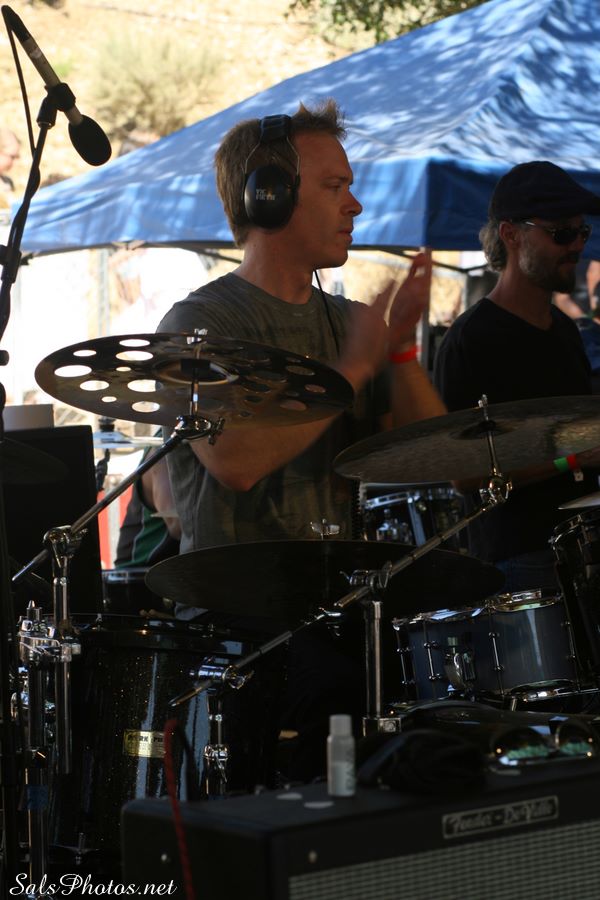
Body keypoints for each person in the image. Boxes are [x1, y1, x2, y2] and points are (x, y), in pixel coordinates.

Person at [158, 100, 445, 781]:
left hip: (339, 612)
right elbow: (234, 461)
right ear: (269, 196)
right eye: (334, 185)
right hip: (237, 629)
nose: (355, 204)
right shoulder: (201, 323)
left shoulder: (351, 324)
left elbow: (433, 456)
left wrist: (400, 349)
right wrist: (354, 367)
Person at [434, 160, 600, 594]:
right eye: (561, 233)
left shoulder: (565, 330)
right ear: (511, 234)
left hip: (583, 544)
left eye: (581, 232)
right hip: (520, 564)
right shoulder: (471, 340)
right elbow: (464, 475)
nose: (576, 246)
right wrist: (574, 459)